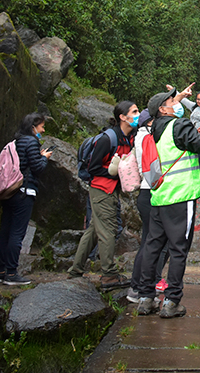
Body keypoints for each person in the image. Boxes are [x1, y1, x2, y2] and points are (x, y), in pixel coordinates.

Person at [136, 86, 200, 318]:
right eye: (173, 100)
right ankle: (171, 301)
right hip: (180, 196)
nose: (177, 103)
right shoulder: (178, 125)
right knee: (178, 249)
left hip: (159, 196)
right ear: (163, 109)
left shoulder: (154, 131)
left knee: (153, 246)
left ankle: (145, 298)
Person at [68, 101, 139, 290]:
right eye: (134, 111)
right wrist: (113, 172)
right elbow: (93, 167)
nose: (137, 114)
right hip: (101, 189)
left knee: (93, 231)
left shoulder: (128, 136)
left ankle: (75, 270)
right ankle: (109, 275)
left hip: (110, 189)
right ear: (123, 117)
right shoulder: (108, 139)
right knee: (108, 230)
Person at [0, 113, 53, 286]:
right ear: (33, 126)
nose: (43, 129)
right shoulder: (32, 141)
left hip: (9, 192)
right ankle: (11, 274)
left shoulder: (15, 141)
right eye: (41, 126)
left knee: (5, 232)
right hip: (24, 192)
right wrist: (44, 157)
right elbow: (37, 168)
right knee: (17, 234)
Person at [127, 109, 169, 302]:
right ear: (151, 122)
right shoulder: (146, 138)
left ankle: (144, 284)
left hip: (147, 192)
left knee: (150, 241)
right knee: (149, 243)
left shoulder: (142, 136)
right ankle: (137, 287)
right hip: (149, 192)